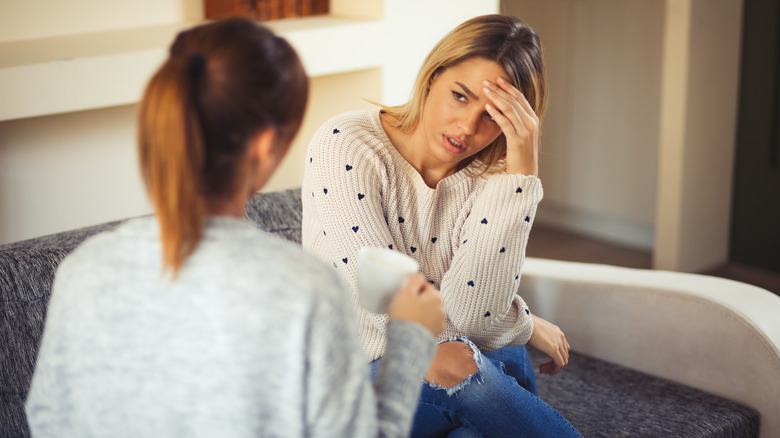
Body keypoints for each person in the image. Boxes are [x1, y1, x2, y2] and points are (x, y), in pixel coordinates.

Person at [25, 18, 445, 438]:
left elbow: (47, 420)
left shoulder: (84, 270)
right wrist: (409, 338)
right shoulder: (304, 287)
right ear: (264, 148)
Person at [302, 14, 581, 437]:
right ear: (432, 77)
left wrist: (522, 178)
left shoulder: (494, 181)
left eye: (492, 116)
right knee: (463, 360)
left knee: (482, 385)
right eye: (460, 96)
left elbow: (474, 316)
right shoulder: (345, 144)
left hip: (451, 368)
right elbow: (385, 302)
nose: (467, 127)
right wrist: (522, 324)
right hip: (354, 380)